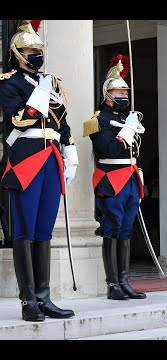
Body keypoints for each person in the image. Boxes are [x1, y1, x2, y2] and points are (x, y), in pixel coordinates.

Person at [0, 20, 77, 321]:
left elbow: (64, 123)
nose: (35, 54)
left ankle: (44, 297)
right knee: (24, 231)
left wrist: (71, 155)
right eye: (30, 50)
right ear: (17, 53)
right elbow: (18, 119)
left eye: (38, 49)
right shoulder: (8, 81)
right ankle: (27, 301)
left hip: (50, 159)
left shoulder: (51, 81)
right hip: (25, 159)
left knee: (44, 230)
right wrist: (40, 96)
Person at [83, 54, 147, 300]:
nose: (124, 97)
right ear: (107, 96)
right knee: (112, 228)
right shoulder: (98, 121)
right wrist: (128, 130)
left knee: (127, 230)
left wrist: (139, 175)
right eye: (119, 94)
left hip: (130, 180)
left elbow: (135, 152)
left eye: (125, 93)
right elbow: (107, 150)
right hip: (110, 180)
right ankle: (112, 285)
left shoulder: (125, 118)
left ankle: (124, 280)